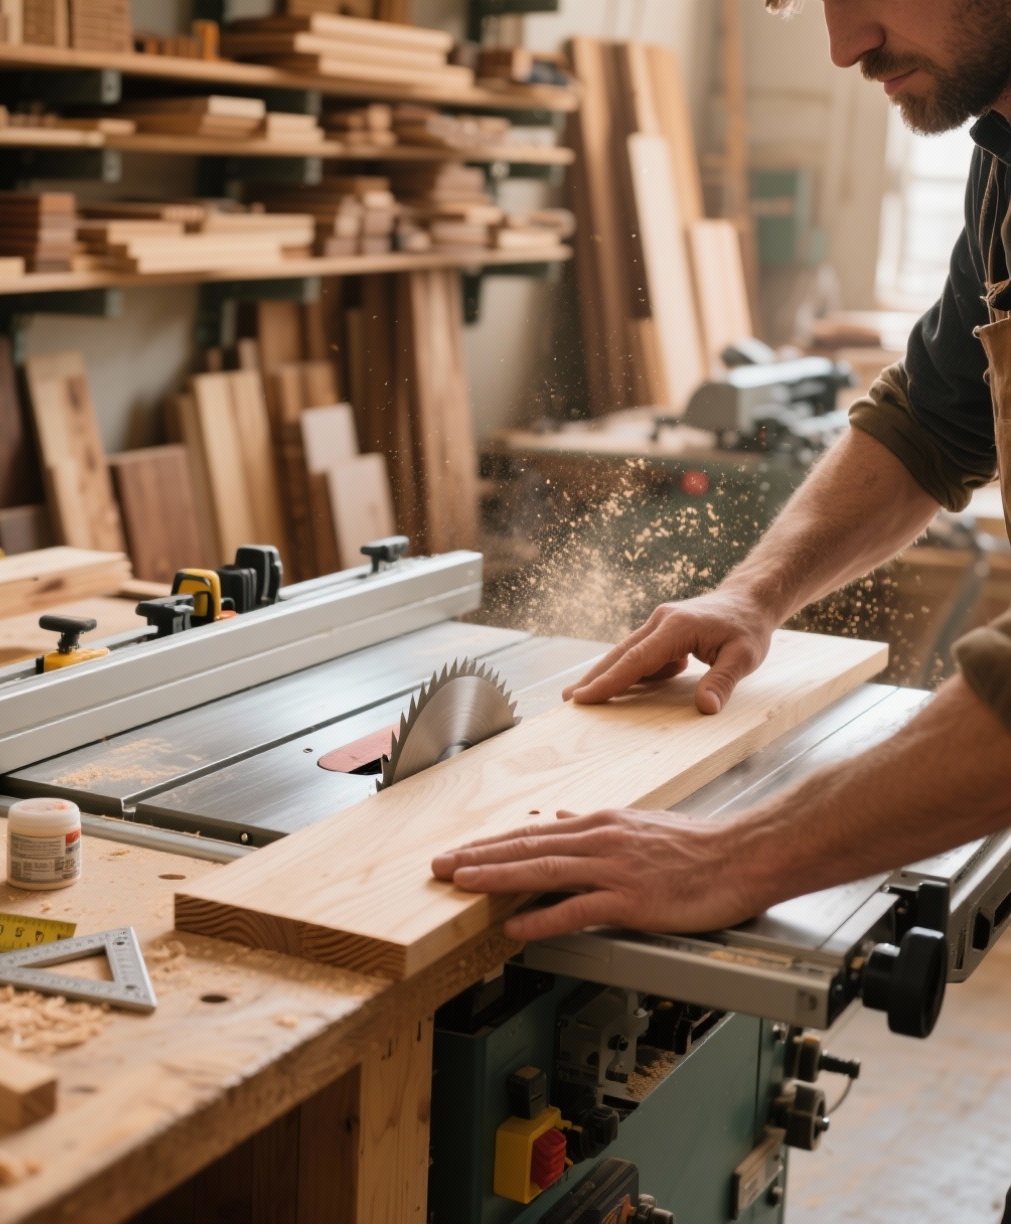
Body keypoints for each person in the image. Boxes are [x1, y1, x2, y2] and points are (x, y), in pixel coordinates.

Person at [430, 0, 1011, 948]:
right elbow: (933, 422)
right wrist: (754, 594)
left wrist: (736, 856)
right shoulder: (1003, 159)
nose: (844, 45)